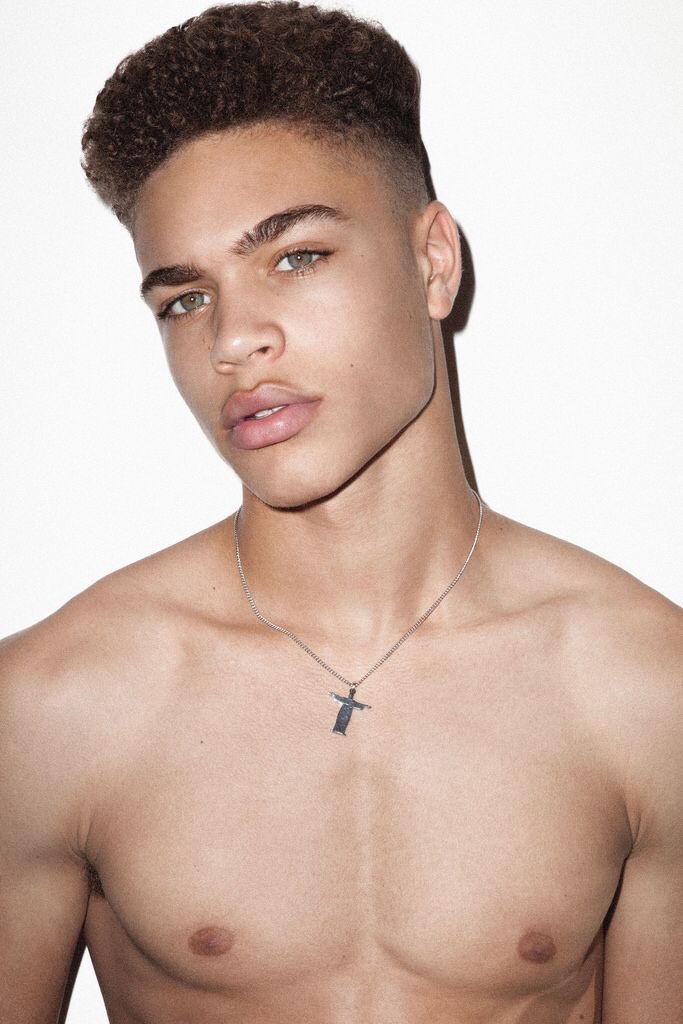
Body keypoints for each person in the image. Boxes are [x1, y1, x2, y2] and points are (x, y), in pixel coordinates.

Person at [1, 2, 681, 1021]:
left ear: (432, 262)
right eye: (184, 299)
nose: (233, 340)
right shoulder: (54, 706)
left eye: (296, 257)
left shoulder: (645, 692)